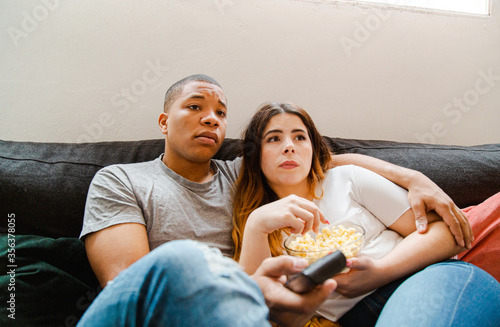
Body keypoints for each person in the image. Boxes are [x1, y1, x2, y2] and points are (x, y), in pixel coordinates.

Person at [78, 74, 473, 326]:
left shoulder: (237, 175)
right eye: (195, 106)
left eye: (220, 112)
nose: (212, 118)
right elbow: (127, 286)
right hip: (184, 306)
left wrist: (412, 176)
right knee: (182, 260)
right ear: (164, 121)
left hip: (249, 307)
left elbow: (311, 163)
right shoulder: (121, 179)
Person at [232, 102, 500, 326]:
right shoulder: (259, 222)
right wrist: (256, 225)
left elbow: (447, 233)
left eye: (300, 137)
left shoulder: (345, 179)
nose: (289, 146)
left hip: (423, 279)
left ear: (313, 148)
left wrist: (379, 272)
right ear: (255, 156)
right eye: (274, 138)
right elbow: (253, 312)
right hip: (357, 318)